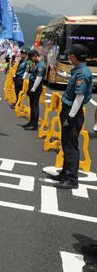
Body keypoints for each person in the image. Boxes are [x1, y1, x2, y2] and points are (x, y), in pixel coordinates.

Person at [45, 45, 93, 189]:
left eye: (70, 55)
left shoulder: (82, 74)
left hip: (72, 112)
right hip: (69, 110)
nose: (69, 57)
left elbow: (79, 96)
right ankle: (65, 173)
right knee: (66, 144)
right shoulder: (79, 71)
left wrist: (70, 117)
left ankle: (71, 179)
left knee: (71, 147)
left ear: (74, 56)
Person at [22, 50, 46, 131]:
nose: (31, 59)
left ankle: (34, 125)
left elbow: (38, 78)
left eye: (31, 57)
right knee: (32, 106)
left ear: (35, 55)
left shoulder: (41, 65)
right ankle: (31, 122)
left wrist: (33, 89)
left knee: (35, 107)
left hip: (36, 88)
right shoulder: (37, 64)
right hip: (33, 86)